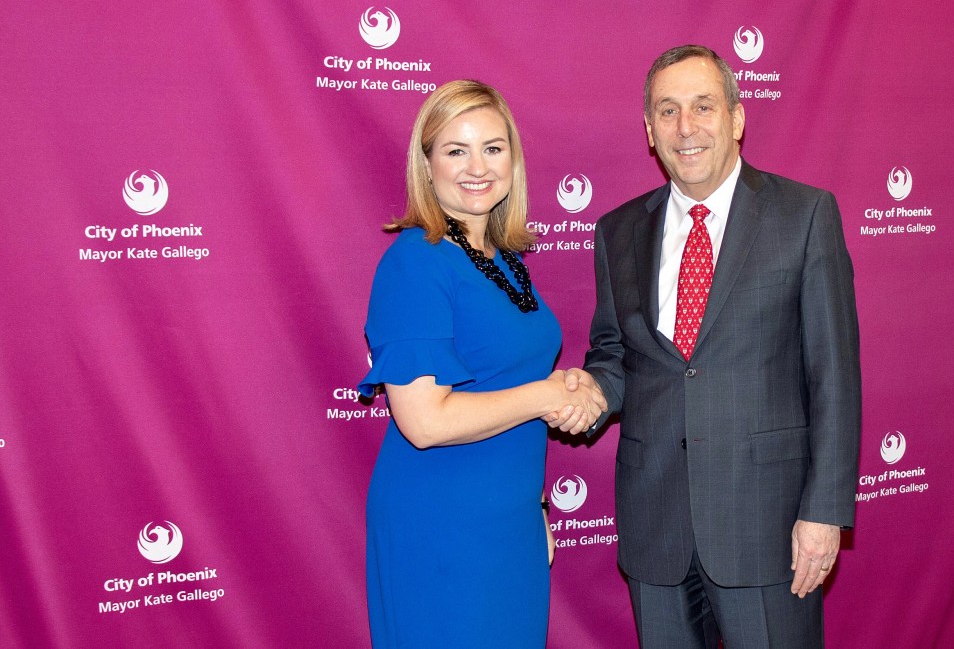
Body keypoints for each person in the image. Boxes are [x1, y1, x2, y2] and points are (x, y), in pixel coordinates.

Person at [553, 45, 861, 647]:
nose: (685, 127)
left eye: (703, 106)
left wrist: (823, 512)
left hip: (768, 527)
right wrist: (589, 389)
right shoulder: (616, 230)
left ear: (738, 117)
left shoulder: (804, 215)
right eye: (667, 111)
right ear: (648, 129)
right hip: (656, 524)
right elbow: (615, 354)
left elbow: (835, 376)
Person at [357, 79, 606, 648]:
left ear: (514, 160)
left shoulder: (504, 260)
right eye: (455, 150)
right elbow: (424, 422)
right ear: (426, 165)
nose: (478, 167)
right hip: (440, 528)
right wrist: (548, 396)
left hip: (509, 523)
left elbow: (507, 382)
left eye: (493, 148)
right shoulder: (415, 263)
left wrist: (535, 504)